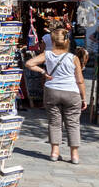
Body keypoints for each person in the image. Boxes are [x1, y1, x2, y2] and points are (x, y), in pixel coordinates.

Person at [25, 26, 87, 164]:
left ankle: (54, 152)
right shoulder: (73, 58)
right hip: (71, 92)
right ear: (67, 42)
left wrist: (43, 72)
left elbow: (29, 63)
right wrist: (84, 97)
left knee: (54, 123)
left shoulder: (47, 55)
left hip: (52, 91)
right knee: (73, 123)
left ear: (52, 41)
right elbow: (80, 80)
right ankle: (74, 155)